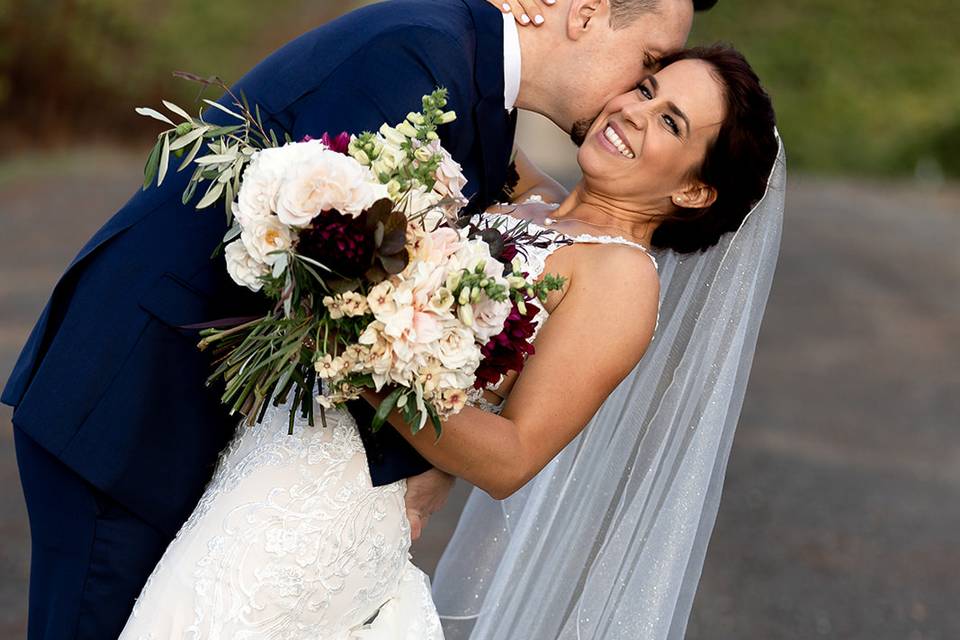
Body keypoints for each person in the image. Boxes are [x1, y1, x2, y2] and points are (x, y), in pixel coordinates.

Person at [3, 0, 710, 637]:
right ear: (584, 14)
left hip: (246, 459)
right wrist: (424, 452)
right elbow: (329, 276)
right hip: (136, 410)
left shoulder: (476, 95)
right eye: (647, 69)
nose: (631, 99)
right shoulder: (418, 57)